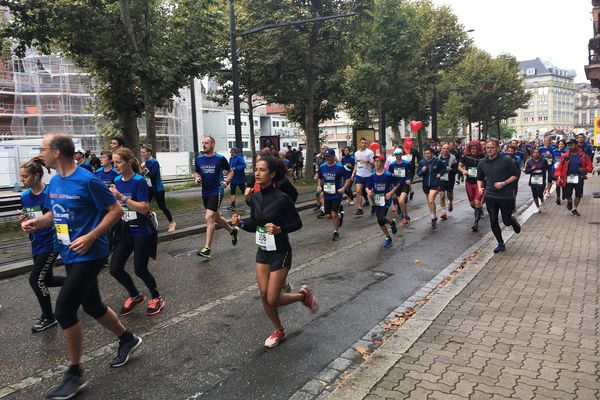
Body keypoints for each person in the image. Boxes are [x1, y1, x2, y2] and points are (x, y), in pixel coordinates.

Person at [21, 134, 141, 400]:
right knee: (93, 306)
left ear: (57, 152)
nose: (40, 153)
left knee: (64, 310)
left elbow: (116, 211)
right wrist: (37, 223)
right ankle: (127, 339)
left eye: (43, 148)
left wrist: (92, 236)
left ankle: (74, 374)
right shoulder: (54, 183)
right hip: (69, 252)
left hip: (91, 253)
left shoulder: (87, 180)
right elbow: (55, 213)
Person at [231, 156, 317, 348]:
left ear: (272, 174)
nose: (257, 173)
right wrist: (241, 223)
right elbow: (255, 225)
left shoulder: (282, 198)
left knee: (272, 298)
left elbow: (297, 223)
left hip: (281, 252)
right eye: (256, 170)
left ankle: (303, 296)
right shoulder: (254, 198)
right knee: (264, 295)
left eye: (262, 170)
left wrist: (279, 229)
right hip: (264, 250)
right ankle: (279, 330)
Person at [109, 147, 164, 316]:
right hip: (125, 230)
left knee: (140, 269)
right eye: (114, 162)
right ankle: (135, 295)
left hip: (141, 230)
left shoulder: (139, 181)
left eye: (118, 162)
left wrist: (122, 197)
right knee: (115, 268)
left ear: (129, 162)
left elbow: (144, 208)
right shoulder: (117, 180)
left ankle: (157, 297)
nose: (115, 165)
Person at [19, 157, 65, 332]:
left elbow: (53, 217)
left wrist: (37, 222)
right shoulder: (24, 196)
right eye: (21, 176)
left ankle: (48, 317)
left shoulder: (49, 193)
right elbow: (28, 218)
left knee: (35, 280)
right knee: (47, 279)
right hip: (36, 243)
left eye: (25, 177)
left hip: (51, 243)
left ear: (37, 176)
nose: (22, 180)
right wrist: (23, 221)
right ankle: (79, 285)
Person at [194, 136, 239, 259]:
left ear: (213, 144)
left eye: (206, 143)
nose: (204, 145)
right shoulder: (199, 159)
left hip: (217, 190)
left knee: (209, 217)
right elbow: (197, 171)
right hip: (205, 192)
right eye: (203, 143)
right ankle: (232, 231)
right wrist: (197, 178)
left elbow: (231, 172)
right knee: (216, 217)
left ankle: (207, 249)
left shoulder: (220, 159)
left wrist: (226, 182)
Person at [476, 139, 522, 253]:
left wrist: (504, 183)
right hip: (491, 195)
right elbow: (479, 178)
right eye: (487, 148)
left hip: (506, 195)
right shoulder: (482, 162)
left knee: (506, 221)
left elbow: (516, 174)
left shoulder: (506, 160)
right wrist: (479, 187)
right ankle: (500, 243)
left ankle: (512, 221)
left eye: (492, 147)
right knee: (493, 220)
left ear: (497, 148)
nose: (489, 150)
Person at [140, 145, 176, 232]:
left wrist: (144, 169)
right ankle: (150, 219)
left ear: (149, 153)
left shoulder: (154, 162)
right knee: (144, 206)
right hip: (149, 188)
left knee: (162, 206)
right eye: (141, 152)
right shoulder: (145, 162)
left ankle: (171, 222)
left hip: (157, 188)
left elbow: (154, 175)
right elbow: (145, 175)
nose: (142, 154)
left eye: (144, 152)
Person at [366, 154, 399, 248]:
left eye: (378, 161)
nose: (376, 163)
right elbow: (367, 187)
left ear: (383, 163)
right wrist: (369, 191)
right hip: (376, 200)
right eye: (375, 161)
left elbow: (397, 184)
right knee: (380, 221)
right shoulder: (372, 176)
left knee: (381, 218)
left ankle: (389, 234)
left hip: (386, 200)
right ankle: (389, 233)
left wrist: (391, 193)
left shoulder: (388, 175)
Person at [554, 139, 593, 216]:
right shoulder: (564, 156)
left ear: (576, 145)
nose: (569, 147)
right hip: (567, 178)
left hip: (579, 178)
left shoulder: (583, 155)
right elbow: (559, 167)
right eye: (568, 145)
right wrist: (558, 175)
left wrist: (584, 169)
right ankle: (569, 201)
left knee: (578, 194)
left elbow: (590, 167)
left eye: (571, 145)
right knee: (567, 194)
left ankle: (574, 208)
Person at [318, 148, 349, 241]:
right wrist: (319, 186)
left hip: (336, 193)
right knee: (328, 216)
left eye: (329, 157)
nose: (327, 158)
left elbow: (347, 178)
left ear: (333, 157)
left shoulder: (339, 167)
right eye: (326, 156)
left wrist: (343, 188)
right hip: (327, 193)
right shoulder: (322, 167)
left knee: (334, 213)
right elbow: (319, 177)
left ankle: (336, 232)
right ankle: (340, 214)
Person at [458, 141, 485, 232]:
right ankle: (478, 210)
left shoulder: (483, 157)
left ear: (478, 148)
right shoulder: (466, 157)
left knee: (477, 201)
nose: (474, 150)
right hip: (469, 182)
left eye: (475, 148)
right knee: (472, 204)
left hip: (479, 182)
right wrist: (463, 171)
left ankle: (476, 223)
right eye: (472, 148)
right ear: (469, 148)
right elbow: (460, 166)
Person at [417, 148, 446, 228]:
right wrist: (422, 170)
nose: (427, 155)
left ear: (432, 153)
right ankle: (434, 215)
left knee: (430, 200)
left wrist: (440, 174)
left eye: (428, 153)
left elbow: (443, 169)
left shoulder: (437, 161)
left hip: (435, 183)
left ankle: (433, 219)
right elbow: (419, 174)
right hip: (426, 185)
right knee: (430, 202)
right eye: (425, 153)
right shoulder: (422, 162)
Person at [387, 148, 412, 225]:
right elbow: (389, 174)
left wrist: (409, 179)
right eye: (396, 154)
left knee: (401, 201)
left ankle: (404, 216)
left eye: (399, 154)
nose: (397, 156)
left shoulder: (406, 163)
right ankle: (405, 215)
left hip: (404, 184)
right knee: (401, 202)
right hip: (396, 186)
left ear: (401, 154)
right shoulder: (392, 164)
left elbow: (410, 172)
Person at [352, 138, 375, 216]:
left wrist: (367, 161)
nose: (364, 144)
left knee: (369, 193)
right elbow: (356, 164)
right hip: (359, 175)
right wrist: (353, 174)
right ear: (359, 144)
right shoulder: (356, 153)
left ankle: (374, 204)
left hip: (368, 175)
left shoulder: (369, 152)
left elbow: (374, 163)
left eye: (365, 143)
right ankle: (360, 208)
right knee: (358, 191)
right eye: (362, 143)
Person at [437, 144, 458, 220]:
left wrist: (451, 169)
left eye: (447, 148)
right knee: (442, 196)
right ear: (441, 149)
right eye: (444, 148)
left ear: (449, 150)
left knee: (449, 195)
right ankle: (443, 212)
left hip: (450, 180)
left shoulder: (453, 158)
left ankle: (450, 202)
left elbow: (456, 170)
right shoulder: (438, 158)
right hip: (441, 180)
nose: (445, 150)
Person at [524, 148, 548, 213]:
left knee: (540, 193)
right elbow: (526, 171)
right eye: (534, 152)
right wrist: (532, 169)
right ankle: (538, 208)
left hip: (541, 179)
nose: (536, 154)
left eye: (537, 152)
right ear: (532, 154)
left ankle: (542, 201)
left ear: (540, 154)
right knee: (534, 194)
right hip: (533, 180)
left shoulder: (544, 160)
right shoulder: (529, 161)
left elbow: (546, 169)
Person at [551, 140, 567, 204]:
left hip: (564, 170)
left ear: (564, 145)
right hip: (556, 170)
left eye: (562, 144)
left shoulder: (566, 152)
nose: (561, 145)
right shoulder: (554, 152)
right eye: (559, 144)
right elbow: (552, 159)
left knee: (563, 183)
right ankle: (558, 198)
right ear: (557, 145)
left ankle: (564, 194)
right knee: (558, 184)